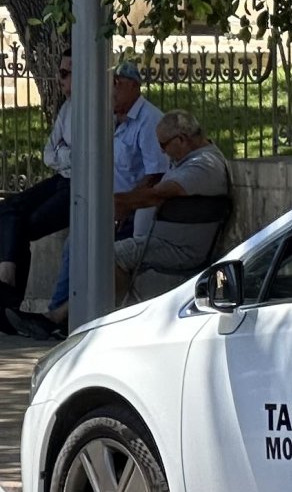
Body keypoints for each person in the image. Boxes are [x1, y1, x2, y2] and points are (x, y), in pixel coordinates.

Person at [5, 61, 169, 339]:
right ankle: (55, 317)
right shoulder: (113, 120)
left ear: (134, 86)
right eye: (110, 83)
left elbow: (155, 175)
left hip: (131, 213)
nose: (112, 90)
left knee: (78, 246)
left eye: (117, 83)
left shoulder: (148, 120)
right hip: (108, 209)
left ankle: (55, 317)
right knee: (72, 244)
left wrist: (125, 207)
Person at [110, 110, 229, 299]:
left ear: (181, 139)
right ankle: (61, 313)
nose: (161, 150)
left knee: (112, 256)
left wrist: (118, 202)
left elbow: (159, 194)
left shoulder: (205, 164)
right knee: (97, 253)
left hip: (178, 249)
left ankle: (120, 316)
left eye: (163, 144)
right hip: (160, 240)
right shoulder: (189, 160)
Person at [0, 50, 73, 327]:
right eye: (60, 72)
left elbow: (86, 158)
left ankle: (8, 297)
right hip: (62, 178)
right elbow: (48, 153)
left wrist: (64, 153)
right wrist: (66, 154)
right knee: (7, 210)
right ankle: (7, 276)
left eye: (66, 74)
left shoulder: (94, 108)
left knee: (25, 226)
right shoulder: (67, 107)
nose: (60, 79)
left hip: (78, 185)